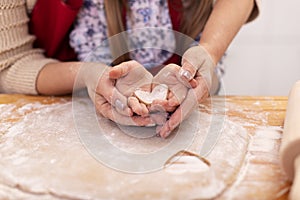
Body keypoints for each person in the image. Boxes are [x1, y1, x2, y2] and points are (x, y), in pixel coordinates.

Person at [0, 0, 260, 137]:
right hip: (70, 114)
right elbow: (11, 64)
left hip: (192, 105)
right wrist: (87, 74)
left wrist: (209, 52)